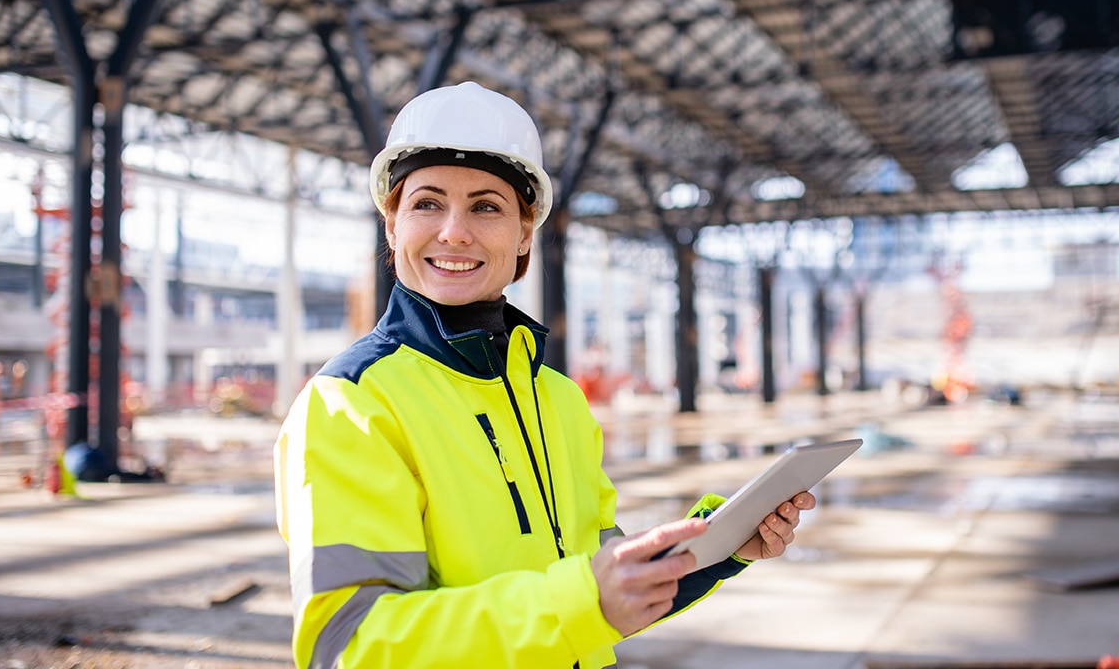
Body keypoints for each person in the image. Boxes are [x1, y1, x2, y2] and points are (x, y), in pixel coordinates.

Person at [273, 81, 816, 668]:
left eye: (486, 206)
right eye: (426, 203)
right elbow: (351, 645)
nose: (454, 231)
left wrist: (717, 544)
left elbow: (601, 578)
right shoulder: (351, 403)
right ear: (392, 225)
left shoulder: (557, 399)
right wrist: (581, 602)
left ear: (524, 232)